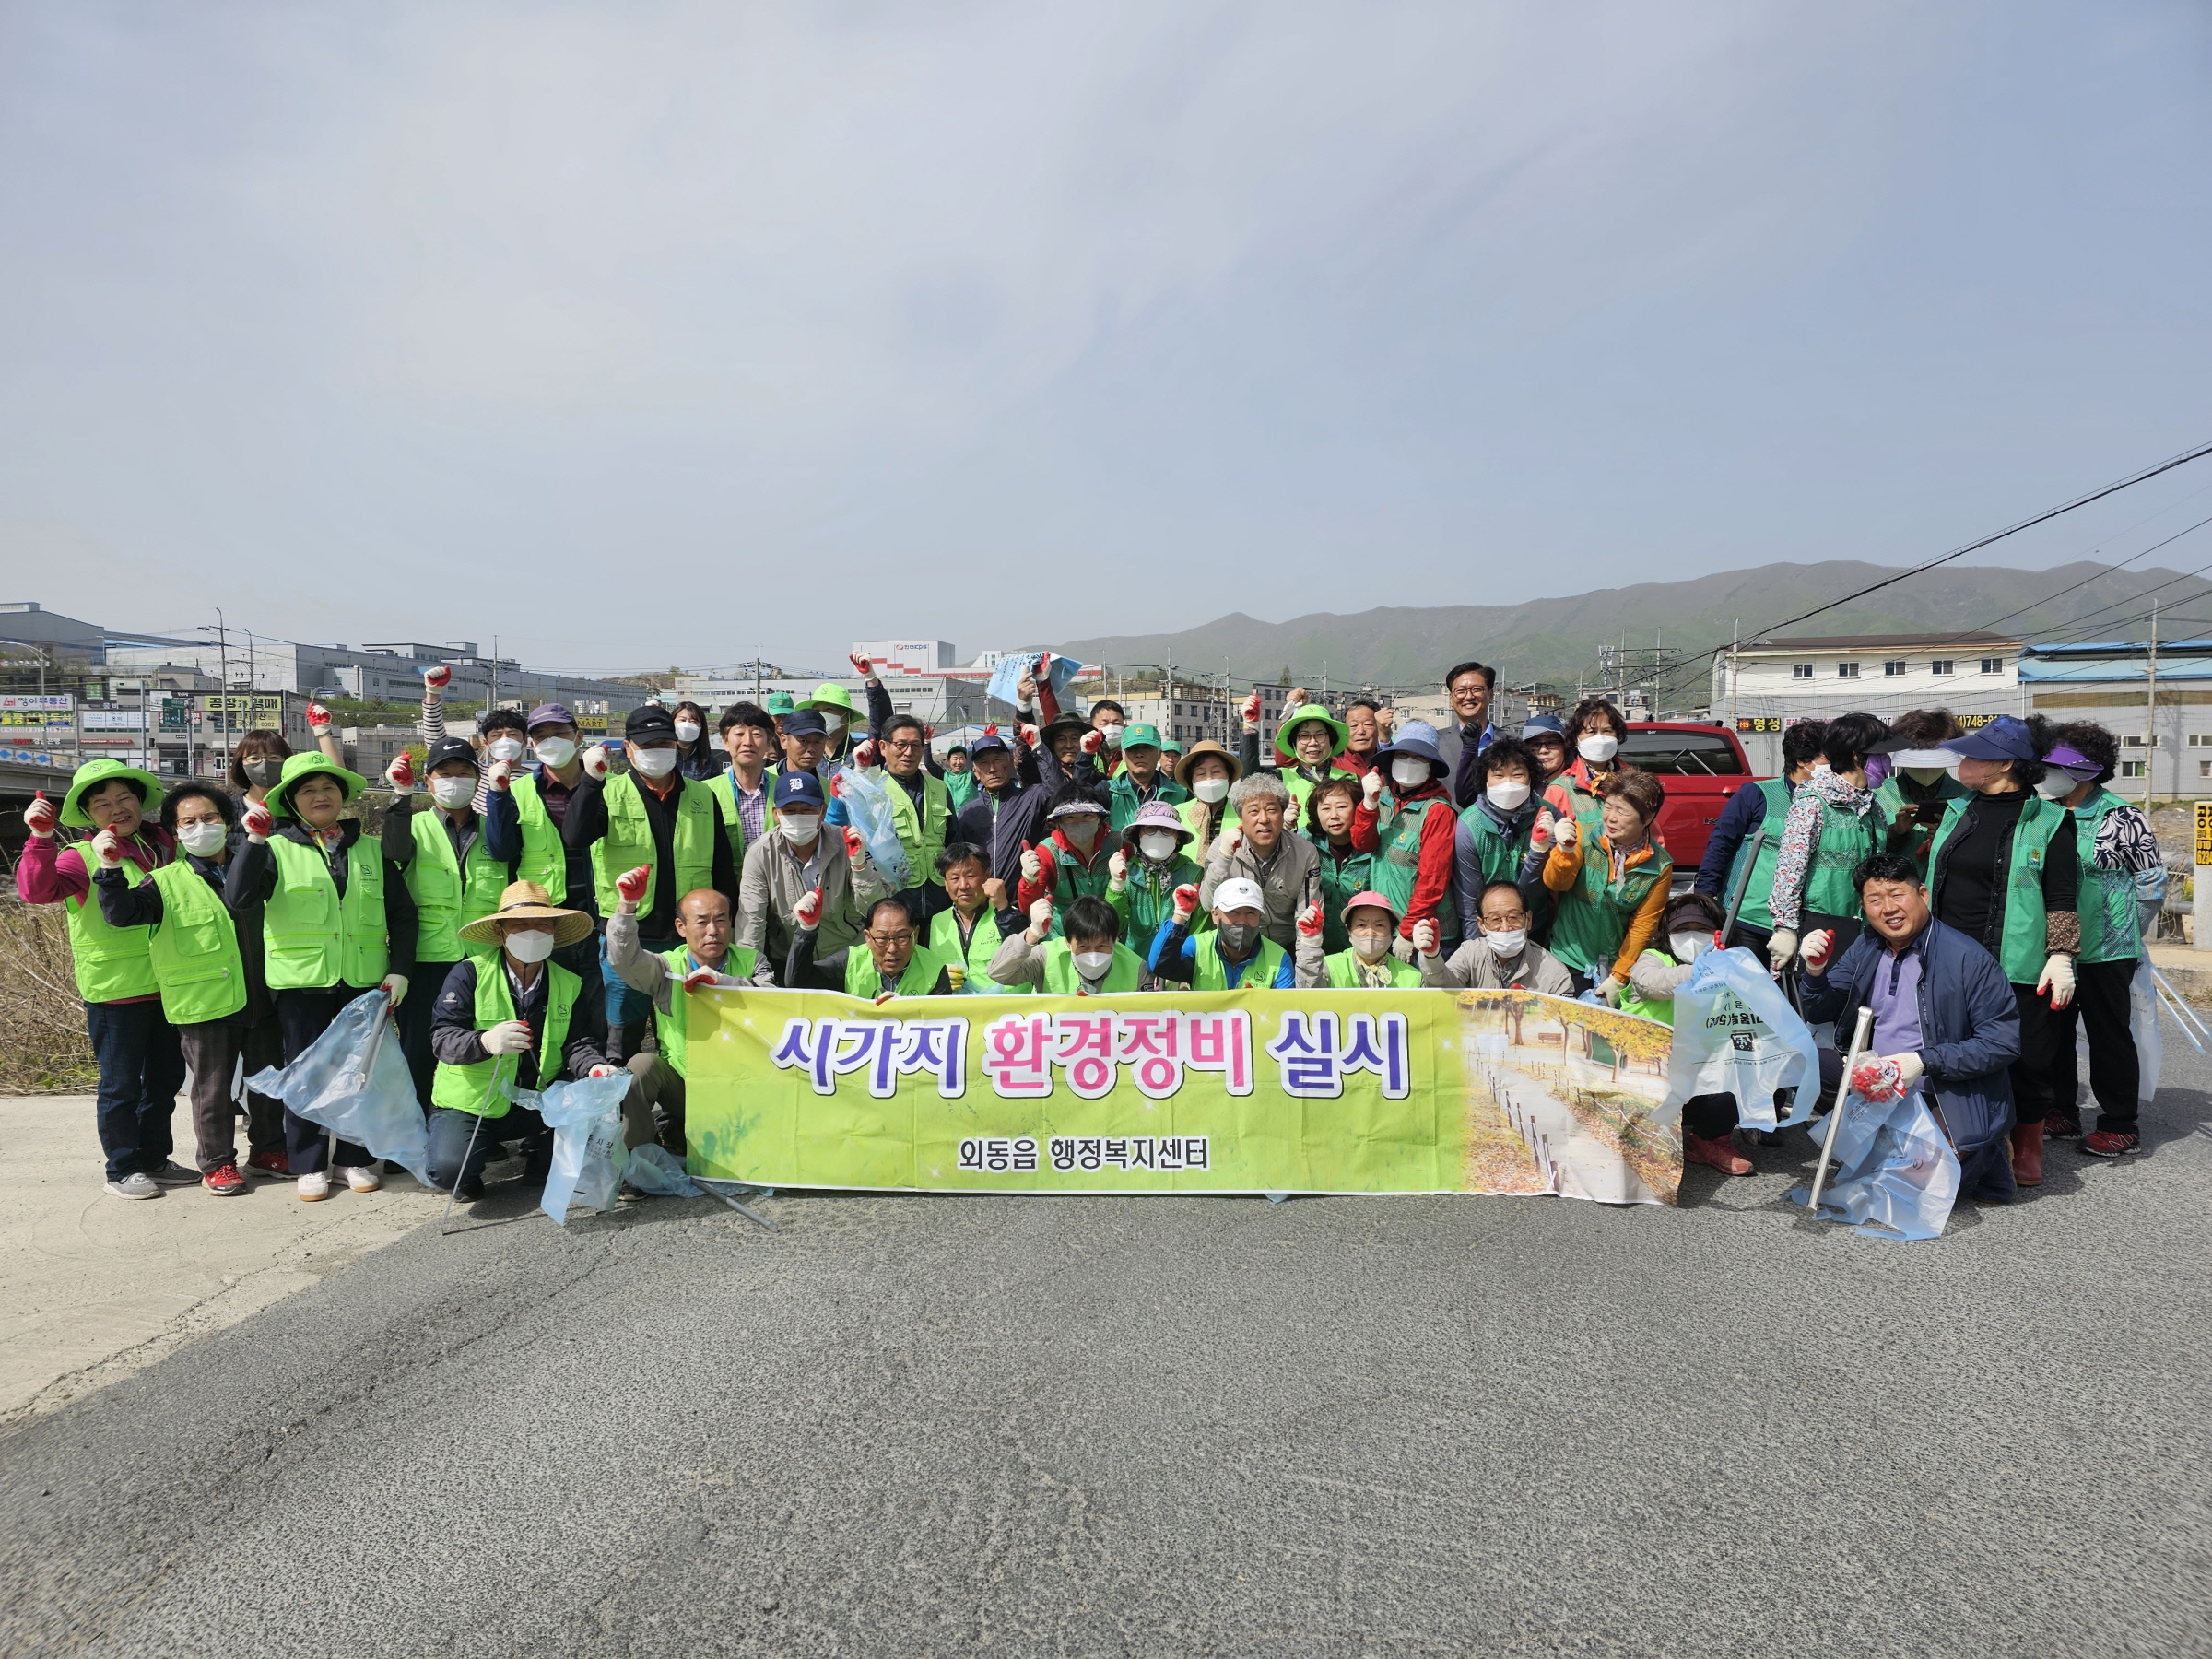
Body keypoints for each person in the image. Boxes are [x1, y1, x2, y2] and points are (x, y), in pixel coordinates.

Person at [225, 753, 416, 1201]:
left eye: (328, 788)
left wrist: (399, 969)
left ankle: (355, 1157)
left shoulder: (370, 847)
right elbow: (239, 899)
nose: (320, 796)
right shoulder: (273, 847)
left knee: (360, 1074)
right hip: (302, 983)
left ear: (343, 795)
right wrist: (252, 842)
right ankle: (309, 1162)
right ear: (292, 800)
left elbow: (404, 915)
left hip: (364, 981)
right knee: (308, 1074)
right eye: (308, 790)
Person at [1798, 854, 2023, 1204]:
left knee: (1920, 1193)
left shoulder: (1968, 958)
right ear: (1863, 907)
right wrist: (1814, 972)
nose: (1888, 908)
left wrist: (1923, 1060)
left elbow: (2002, 1043)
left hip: (1942, 1089)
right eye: (1875, 900)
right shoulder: (1866, 946)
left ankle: (1986, 1150)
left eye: (1898, 895)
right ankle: (1882, 1139)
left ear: (1923, 894)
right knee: (1800, 1060)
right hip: (1876, 1080)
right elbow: (1820, 1008)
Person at [18, 760, 195, 1200]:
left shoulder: (168, 846)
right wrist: (40, 839)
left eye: (124, 798)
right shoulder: (78, 858)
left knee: (164, 1080)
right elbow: (35, 891)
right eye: (102, 804)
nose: (116, 809)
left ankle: (154, 1158)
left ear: (140, 801)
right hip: (116, 992)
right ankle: (122, 1168)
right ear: (90, 815)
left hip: (172, 986)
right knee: (120, 1086)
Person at [1924, 714, 2077, 1186]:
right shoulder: (1955, 810)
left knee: (2028, 1054)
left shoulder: (2051, 820)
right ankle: (1956, 1134)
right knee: (1949, 1045)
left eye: (1972, 756)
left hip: (2018, 958)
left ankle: (2028, 1142)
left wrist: (2062, 955)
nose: (1962, 764)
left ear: (2004, 762)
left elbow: (2062, 896)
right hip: (1949, 955)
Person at [91, 782, 255, 1195]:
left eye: (210, 818)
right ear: (175, 831)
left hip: (262, 993)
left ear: (227, 821)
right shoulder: (164, 880)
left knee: (269, 1080)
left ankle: (272, 1150)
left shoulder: (254, 863)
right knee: (212, 1087)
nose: (201, 827)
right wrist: (109, 871)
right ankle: (217, 1164)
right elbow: (122, 914)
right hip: (204, 999)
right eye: (189, 821)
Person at [428, 881, 632, 1199]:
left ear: (554, 933)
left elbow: (578, 1041)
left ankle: (542, 1165)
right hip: (474, 1103)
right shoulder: (469, 974)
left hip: (539, 1100)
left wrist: (594, 1066)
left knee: (594, 1109)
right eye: (521, 925)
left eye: (542, 925)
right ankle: (466, 1176)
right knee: (448, 1169)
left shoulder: (568, 982)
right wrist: (484, 1042)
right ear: (500, 933)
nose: (532, 933)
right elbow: (443, 1039)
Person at [568, 704, 743, 1050]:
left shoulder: (703, 796)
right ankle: (626, 1100)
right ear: (629, 749)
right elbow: (574, 837)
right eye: (646, 746)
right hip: (629, 938)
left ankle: (679, 1100)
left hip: (688, 939)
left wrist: (725, 926)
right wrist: (590, 781)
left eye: (664, 742)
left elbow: (722, 867)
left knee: (689, 1032)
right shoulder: (608, 792)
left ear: (676, 745)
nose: (656, 752)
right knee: (623, 1034)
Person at [2041, 724, 2161, 1156]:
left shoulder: (2121, 817)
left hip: (2107, 948)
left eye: (2055, 766)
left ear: (2085, 772)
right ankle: (2061, 1109)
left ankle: (2120, 1121)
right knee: (2052, 1029)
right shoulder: (2044, 812)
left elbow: (2150, 883)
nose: (2047, 773)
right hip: (2052, 943)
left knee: (2108, 1032)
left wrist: (2126, 931)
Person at [384, 735, 514, 1107]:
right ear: (428, 781)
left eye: (464, 772)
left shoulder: (494, 827)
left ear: (478, 779)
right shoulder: (414, 823)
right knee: (419, 1046)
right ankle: (415, 1129)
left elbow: (510, 859)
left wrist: (502, 797)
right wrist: (400, 797)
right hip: (426, 958)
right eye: (445, 773)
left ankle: (471, 1124)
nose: (454, 780)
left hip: (483, 957)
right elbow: (393, 852)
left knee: (478, 1041)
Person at [1617, 891, 1764, 1175]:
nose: (1693, 937)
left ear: (1718, 934)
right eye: (1682, 930)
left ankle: (1708, 1140)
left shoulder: (1731, 966)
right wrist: (1699, 971)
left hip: (1697, 1078)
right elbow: (1652, 984)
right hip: (1645, 1074)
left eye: (1702, 930)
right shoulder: (1652, 958)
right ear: (1667, 933)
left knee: (1750, 1067)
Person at [606, 873, 756, 1153]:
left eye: (721, 920)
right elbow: (624, 960)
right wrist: (627, 907)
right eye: (702, 922)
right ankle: (639, 1165)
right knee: (640, 1067)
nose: (713, 930)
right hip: (687, 1087)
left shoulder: (752, 961)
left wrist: (722, 982)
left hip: (745, 1088)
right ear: (681, 927)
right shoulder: (666, 968)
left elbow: (772, 998)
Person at [735, 771, 892, 988]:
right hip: (789, 959)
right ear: (775, 814)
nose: (798, 817)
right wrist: (750, 979)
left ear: (822, 812)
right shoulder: (760, 854)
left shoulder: (846, 842)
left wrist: (859, 866)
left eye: (807, 810)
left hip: (847, 958)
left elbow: (874, 909)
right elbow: (752, 922)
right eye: (789, 811)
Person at [1764, 712, 1890, 971]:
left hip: (1866, 924)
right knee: (1817, 1003)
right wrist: (1786, 928)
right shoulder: (1813, 804)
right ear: (1857, 756)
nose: (1887, 762)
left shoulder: (1872, 807)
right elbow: (1790, 870)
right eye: (1881, 755)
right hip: (1821, 925)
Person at [1693, 718, 1827, 954]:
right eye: (1828, 758)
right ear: (1803, 761)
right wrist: (1704, 897)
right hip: (1748, 918)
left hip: (1805, 922)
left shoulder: (1830, 803)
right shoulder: (1757, 794)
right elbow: (1721, 843)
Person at [1541, 768, 1673, 1000]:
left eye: (1622, 811)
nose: (1611, 817)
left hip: (1615, 964)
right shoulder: (1583, 832)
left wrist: (1620, 976)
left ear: (1649, 817)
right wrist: (1565, 851)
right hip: (1568, 956)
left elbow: (1643, 926)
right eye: (1609, 807)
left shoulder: (1659, 866)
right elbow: (1556, 883)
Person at [483, 704, 598, 924]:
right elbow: (502, 851)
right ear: (533, 746)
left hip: (603, 909)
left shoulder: (611, 786)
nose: (551, 741)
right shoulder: (517, 790)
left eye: (559, 733)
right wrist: (497, 795)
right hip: (544, 912)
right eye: (542, 737)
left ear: (579, 737)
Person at [1350, 720, 1457, 954]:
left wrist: (1409, 931)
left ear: (1431, 765)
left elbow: (1433, 878)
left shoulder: (1437, 810)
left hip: (1424, 932)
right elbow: (1362, 843)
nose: (1409, 763)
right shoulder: (1384, 797)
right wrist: (1368, 804)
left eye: (1418, 757)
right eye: (1403, 755)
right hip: (1386, 923)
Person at [1201, 771, 1322, 952]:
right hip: (1236, 948)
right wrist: (1224, 858)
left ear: (1282, 814)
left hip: (1286, 948)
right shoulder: (1222, 845)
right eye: (1254, 811)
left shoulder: (1305, 852)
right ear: (1241, 817)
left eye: (1272, 810)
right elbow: (1208, 904)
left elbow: (1307, 914)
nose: (1264, 819)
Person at [1453, 736, 1545, 942]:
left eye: (1518, 774)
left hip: (1534, 926)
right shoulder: (1469, 826)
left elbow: (1541, 886)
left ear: (1531, 778)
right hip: (1489, 928)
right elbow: (1469, 901)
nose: (1508, 784)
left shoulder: (1547, 814)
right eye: (1499, 775)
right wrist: (1476, 951)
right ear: (1485, 780)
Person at [1149, 877, 1315, 989]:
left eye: (1250, 913)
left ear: (1260, 917)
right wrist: (1180, 916)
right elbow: (1160, 965)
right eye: (1233, 912)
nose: (1242, 920)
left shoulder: (1279, 958)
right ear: (1215, 916)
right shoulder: (1197, 946)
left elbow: (1283, 1011)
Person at [1417, 879, 1576, 994]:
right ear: (1481, 925)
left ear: (1528, 920)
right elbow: (1443, 988)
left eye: (1514, 917)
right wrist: (1432, 956)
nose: (1505, 928)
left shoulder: (1554, 973)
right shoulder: (1470, 953)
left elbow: (1565, 1028)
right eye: (1495, 919)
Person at [866, 712, 955, 908]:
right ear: (883, 747)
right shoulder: (872, 790)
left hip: (939, 895)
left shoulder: (940, 787)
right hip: (895, 898)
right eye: (901, 745)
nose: (908, 752)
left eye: (915, 746)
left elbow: (954, 842)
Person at [951, 727, 1051, 894]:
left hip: (1024, 897)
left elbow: (1056, 790)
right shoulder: (969, 812)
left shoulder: (1031, 797)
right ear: (975, 772)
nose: (992, 769)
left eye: (998, 760)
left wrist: (1039, 747)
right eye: (983, 763)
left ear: (1011, 763)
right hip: (982, 901)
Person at [1109, 801, 1206, 964]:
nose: (1158, 834)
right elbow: (1113, 926)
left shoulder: (1193, 873)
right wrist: (1116, 886)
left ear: (1178, 837)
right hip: (1134, 963)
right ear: (1138, 835)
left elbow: (1199, 928)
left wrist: (1189, 967)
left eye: (1167, 829)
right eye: (1150, 828)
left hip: (1177, 964)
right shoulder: (1126, 871)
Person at [1015, 785, 1121, 934]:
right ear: (1059, 823)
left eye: (1087, 815)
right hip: (1064, 934)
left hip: (1110, 930)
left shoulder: (1118, 841)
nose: (1080, 823)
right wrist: (1029, 880)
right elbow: (1027, 908)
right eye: (1070, 817)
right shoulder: (1047, 852)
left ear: (1099, 819)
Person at [989, 893, 1147, 993]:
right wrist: (1032, 933)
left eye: (1101, 946)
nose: (1093, 955)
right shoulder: (1046, 956)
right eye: (1083, 946)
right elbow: (998, 973)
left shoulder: (1137, 967)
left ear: (1115, 940)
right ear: (1068, 942)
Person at [1874, 709, 1968, 877]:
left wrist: (1948, 837)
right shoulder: (1878, 794)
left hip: (1944, 892)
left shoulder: (1966, 797)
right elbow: (1866, 853)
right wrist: (1895, 831)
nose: (1926, 769)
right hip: (1893, 890)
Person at [925, 842, 1023, 993]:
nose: (963, 885)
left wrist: (1004, 909)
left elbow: (1025, 954)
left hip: (1006, 1011)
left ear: (986, 876)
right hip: (956, 1013)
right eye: (955, 878)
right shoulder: (936, 923)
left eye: (970, 876)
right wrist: (939, 982)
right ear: (945, 884)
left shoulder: (1010, 916)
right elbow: (924, 972)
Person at [1245, 694, 1356, 823]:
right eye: (1304, 736)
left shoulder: (1351, 779)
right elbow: (1249, 777)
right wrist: (1250, 726)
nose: (1313, 742)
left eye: (1320, 735)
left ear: (1331, 740)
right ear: (1294, 744)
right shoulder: (1281, 778)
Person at [1303, 776, 1373, 956]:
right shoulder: (1304, 843)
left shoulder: (1374, 848)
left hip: (1362, 951)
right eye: (1325, 808)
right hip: (1316, 949)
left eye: (1342, 807)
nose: (1334, 815)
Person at [1298, 891, 1423, 989]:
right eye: (1361, 925)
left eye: (1379, 925)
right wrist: (1310, 944)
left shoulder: (1413, 977)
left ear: (1392, 932)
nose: (1370, 932)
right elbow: (1306, 993)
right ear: (1349, 931)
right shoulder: (1328, 967)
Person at [845, 895, 953, 999]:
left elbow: (938, 1015)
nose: (892, 949)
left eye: (901, 937)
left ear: (915, 935)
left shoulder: (935, 970)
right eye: (882, 938)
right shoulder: (847, 964)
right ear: (868, 938)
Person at [1105, 723, 1186, 830]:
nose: (1139, 754)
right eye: (1133, 749)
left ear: (1159, 754)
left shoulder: (1182, 794)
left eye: (1147, 748)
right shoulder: (1107, 792)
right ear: (1123, 755)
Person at [1442, 660, 1499, 807]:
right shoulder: (1435, 742)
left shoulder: (1514, 742)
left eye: (1476, 689)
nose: (1468, 697)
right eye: (1460, 691)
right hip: (1450, 827)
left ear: (1491, 695)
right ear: (1450, 699)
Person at [1175, 740, 1241, 861]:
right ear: (1191, 781)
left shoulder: (1242, 812)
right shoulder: (1176, 814)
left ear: (1229, 777)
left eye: (1216, 772)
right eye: (1201, 773)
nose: (1209, 778)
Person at [671, 700, 722, 780]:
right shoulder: (664, 756)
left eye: (693, 721)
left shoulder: (709, 763)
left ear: (701, 727)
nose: (687, 725)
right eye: (682, 720)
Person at [1339, 698, 1385, 778]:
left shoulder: (1390, 766)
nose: (1361, 731)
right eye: (1353, 726)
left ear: (1378, 729)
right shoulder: (1332, 766)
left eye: (1368, 724)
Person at [941, 741, 978, 814]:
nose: (958, 762)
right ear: (948, 761)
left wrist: (988, 740)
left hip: (969, 818)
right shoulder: (943, 775)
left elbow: (983, 767)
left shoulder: (971, 775)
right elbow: (929, 764)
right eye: (955, 759)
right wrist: (927, 742)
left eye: (961, 758)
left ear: (965, 760)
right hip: (949, 819)